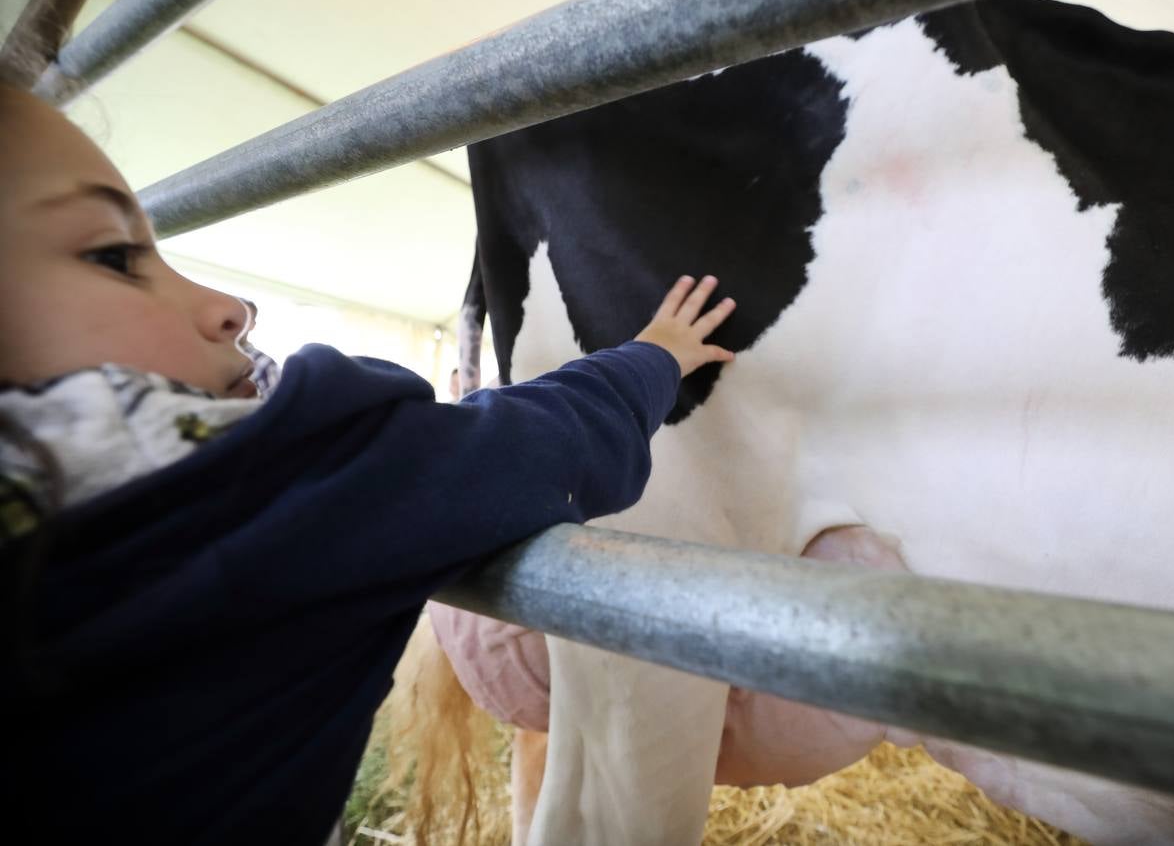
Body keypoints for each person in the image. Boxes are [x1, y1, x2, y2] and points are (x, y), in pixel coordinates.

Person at [0, 75, 736, 843]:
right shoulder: (284, 477)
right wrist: (653, 357)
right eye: (114, 256)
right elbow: (543, 441)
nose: (234, 308)